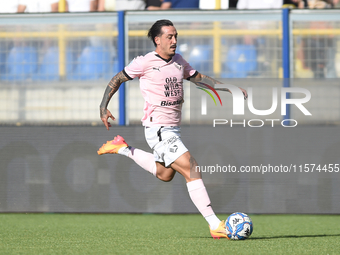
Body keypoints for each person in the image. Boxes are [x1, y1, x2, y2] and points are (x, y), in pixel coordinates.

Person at [97, 19, 247, 239]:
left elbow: (200, 79)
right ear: (157, 40)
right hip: (157, 128)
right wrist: (103, 107)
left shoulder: (179, 61)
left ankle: (122, 148)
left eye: (176, 36)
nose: (174, 40)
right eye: (170, 36)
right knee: (191, 167)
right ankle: (215, 224)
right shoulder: (145, 62)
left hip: (172, 129)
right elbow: (117, 79)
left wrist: (229, 88)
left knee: (165, 174)